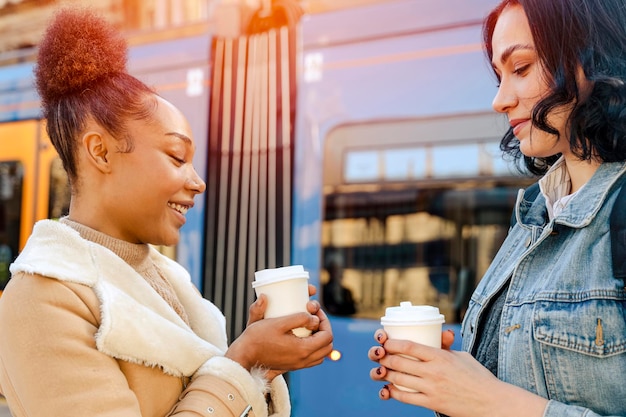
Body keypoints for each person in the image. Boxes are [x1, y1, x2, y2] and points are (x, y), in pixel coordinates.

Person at [0, 8, 333, 417]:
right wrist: (242, 361)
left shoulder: (168, 280)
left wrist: (262, 361)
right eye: (177, 157)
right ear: (100, 152)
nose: (198, 182)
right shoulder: (40, 299)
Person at [368, 0, 626, 416]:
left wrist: (489, 402)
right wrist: (449, 380)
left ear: (591, 61)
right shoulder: (533, 213)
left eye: (521, 68)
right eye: (499, 76)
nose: (499, 100)